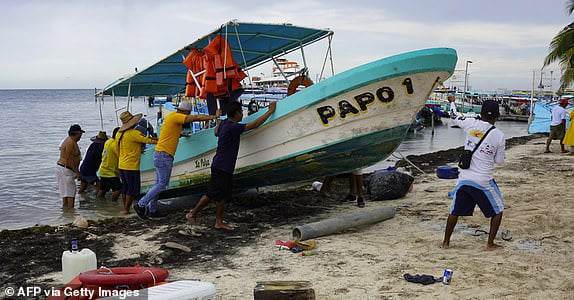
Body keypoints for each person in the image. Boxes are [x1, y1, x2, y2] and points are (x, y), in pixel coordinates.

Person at [186, 101, 277, 229]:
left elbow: (216, 132)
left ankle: (218, 221)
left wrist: (218, 120)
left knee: (223, 195)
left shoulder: (225, 124)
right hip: (222, 166)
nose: (242, 115)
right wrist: (270, 111)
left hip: (223, 165)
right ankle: (193, 214)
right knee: (211, 194)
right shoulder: (233, 126)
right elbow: (255, 124)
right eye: (241, 112)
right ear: (236, 114)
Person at [134, 101, 220, 219]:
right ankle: (141, 204)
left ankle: (152, 210)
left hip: (160, 153)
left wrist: (183, 135)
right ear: (185, 112)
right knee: (162, 184)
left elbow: (173, 133)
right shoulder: (177, 117)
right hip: (164, 155)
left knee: (158, 184)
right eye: (188, 113)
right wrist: (213, 116)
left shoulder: (171, 117)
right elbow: (195, 118)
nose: (188, 115)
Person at [442, 97, 506, 251]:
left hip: (464, 179)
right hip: (483, 181)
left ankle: (446, 242)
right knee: (498, 210)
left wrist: (452, 101)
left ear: (481, 113)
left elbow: (453, 115)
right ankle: (490, 244)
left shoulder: (470, 123)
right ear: (497, 116)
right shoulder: (499, 135)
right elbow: (499, 161)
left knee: (454, 211)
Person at [117, 111, 158, 214]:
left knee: (125, 188)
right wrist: (162, 140)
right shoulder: (134, 133)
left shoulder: (119, 133)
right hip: (131, 166)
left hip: (121, 165)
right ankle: (126, 209)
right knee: (132, 189)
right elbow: (149, 140)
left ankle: (125, 208)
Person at [56, 124, 84, 209]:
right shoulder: (71, 143)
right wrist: (77, 172)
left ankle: (66, 215)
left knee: (65, 193)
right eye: (80, 134)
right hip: (66, 169)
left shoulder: (67, 140)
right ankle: (71, 213)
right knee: (71, 193)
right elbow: (70, 159)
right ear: (76, 133)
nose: (81, 136)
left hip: (61, 168)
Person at [98, 127, 122, 201]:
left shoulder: (108, 141)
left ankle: (100, 203)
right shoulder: (115, 145)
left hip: (103, 170)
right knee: (118, 189)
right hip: (111, 172)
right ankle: (113, 203)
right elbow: (120, 157)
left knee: (103, 189)